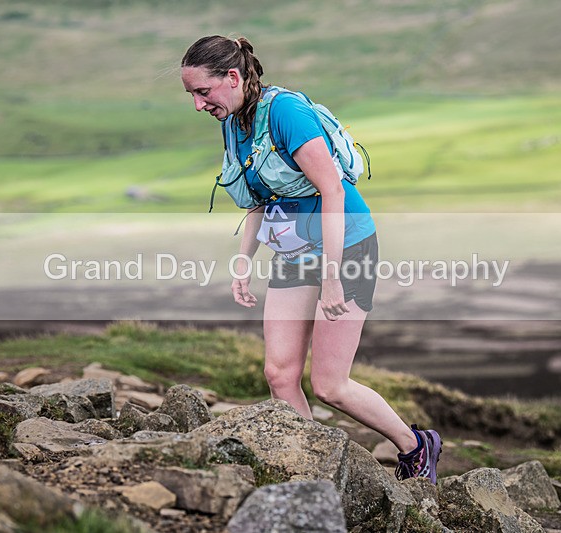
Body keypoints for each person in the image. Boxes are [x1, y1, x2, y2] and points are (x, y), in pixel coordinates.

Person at [181, 35, 441, 483]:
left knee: (329, 386)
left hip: (347, 249)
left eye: (203, 92)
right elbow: (258, 201)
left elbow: (333, 190)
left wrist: (334, 276)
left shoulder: (287, 113)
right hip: (294, 254)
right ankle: (315, 475)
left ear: (233, 77)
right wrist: (244, 261)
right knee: (279, 374)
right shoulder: (232, 123)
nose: (199, 105)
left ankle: (416, 446)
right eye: (191, 96)